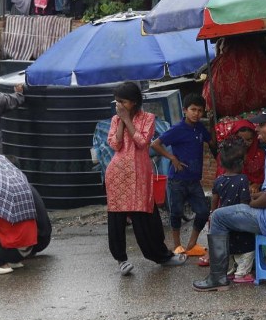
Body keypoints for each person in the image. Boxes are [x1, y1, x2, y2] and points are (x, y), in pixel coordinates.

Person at [194, 108, 266, 292]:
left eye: (262, 125)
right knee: (236, 210)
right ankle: (236, 268)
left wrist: (248, 204)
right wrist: (254, 197)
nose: (257, 129)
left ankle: (217, 277)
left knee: (218, 216)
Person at [105, 81, 188, 274]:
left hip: (140, 174)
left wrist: (127, 120)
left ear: (133, 102)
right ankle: (121, 260)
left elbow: (142, 143)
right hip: (117, 173)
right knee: (116, 217)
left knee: (145, 216)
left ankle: (161, 256)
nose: (119, 105)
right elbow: (115, 145)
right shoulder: (115, 119)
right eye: (117, 101)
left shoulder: (148, 118)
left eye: (122, 101)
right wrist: (120, 122)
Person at [151, 93, 213, 256]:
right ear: (185, 110)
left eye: (200, 111)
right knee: (176, 213)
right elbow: (156, 144)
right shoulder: (177, 129)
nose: (196, 113)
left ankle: (191, 244)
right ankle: (177, 245)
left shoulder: (199, 127)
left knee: (203, 212)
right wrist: (172, 158)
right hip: (177, 180)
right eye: (193, 109)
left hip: (194, 180)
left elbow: (211, 140)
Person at [210, 138, 256, 284]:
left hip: (224, 220)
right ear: (241, 163)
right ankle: (242, 274)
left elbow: (214, 199)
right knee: (247, 249)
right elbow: (244, 203)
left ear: (222, 163)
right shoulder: (242, 179)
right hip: (238, 220)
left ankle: (231, 270)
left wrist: (213, 213)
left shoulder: (218, 180)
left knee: (231, 247)